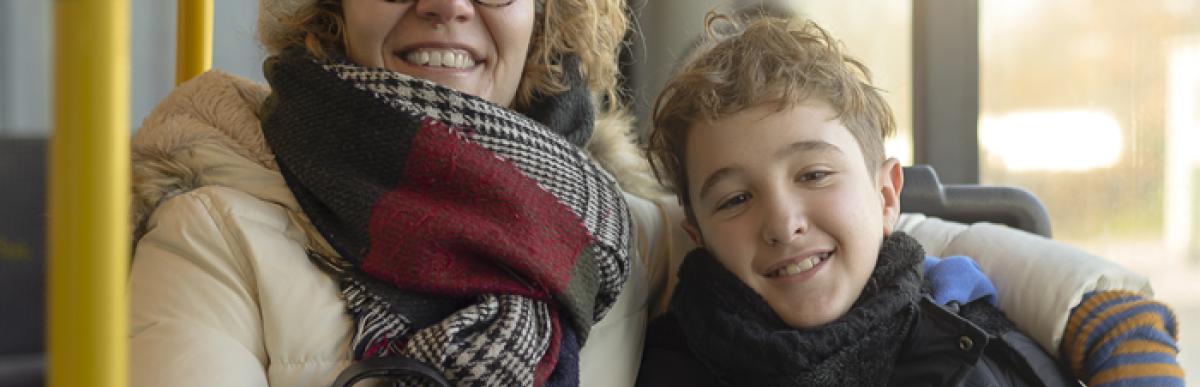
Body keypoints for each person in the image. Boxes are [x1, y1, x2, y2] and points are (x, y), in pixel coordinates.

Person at [127, 0, 1174, 386]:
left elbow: (854, 232)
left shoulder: (608, 221)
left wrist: (1104, 314)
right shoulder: (216, 225)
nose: (447, 7)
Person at [637, 12, 1184, 387]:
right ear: (698, 236)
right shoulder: (663, 364)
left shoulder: (971, 348)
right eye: (734, 200)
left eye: (815, 174)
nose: (782, 221)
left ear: (885, 194)